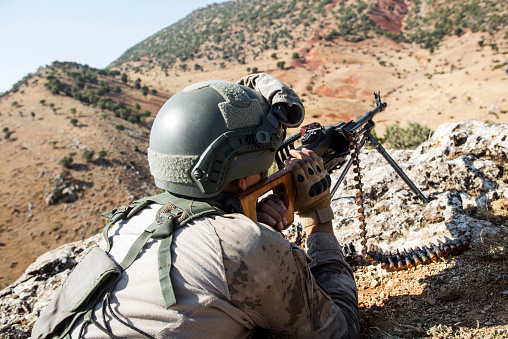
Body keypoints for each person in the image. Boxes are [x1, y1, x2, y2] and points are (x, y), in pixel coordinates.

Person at [32, 73, 359, 338]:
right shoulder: (243, 247)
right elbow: (339, 331)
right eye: (266, 164)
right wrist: (317, 215)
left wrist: (239, 221)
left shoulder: (122, 225)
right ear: (244, 179)